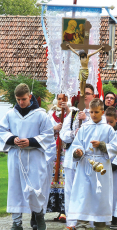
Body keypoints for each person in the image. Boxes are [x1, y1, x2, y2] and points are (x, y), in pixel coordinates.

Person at [0, 83, 55, 230]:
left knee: (36, 188)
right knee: (15, 189)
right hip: (16, 157)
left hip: (35, 157)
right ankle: (16, 223)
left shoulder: (41, 115)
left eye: (23, 99)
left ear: (30, 97)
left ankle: (39, 217)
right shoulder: (10, 115)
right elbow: (2, 131)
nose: (21, 102)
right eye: (18, 99)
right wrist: (13, 139)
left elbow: (48, 135)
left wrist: (31, 141)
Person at [68, 99, 117, 230]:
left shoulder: (108, 129)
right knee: (83, 194)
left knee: (100, 196)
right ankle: (82, 223)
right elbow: (76, 145)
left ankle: (100, 223)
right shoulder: (84, 128)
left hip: (101, 166)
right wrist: (77, 152)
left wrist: (102, 145)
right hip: (85, 165)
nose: (94, 114)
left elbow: (115, 147)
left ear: (102, 112)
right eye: (91, 112)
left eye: (96, 112)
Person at [60, 84, 96, 230]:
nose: (85, 96)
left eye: (88, 93)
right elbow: (63, 134)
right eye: (83, 94)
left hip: (89, 159)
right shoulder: (73, 114)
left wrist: (87, 119)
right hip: (71, 158)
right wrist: (74, 134)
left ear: (93, 96)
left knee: (89, 189)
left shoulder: (96, 114)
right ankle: (72, 222)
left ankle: (89, 221)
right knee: (70, 190)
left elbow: (99, 132)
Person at [46, 94, 71, 222]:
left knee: (64, 179)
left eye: (64, 99)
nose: (62, 101)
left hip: (66, 150)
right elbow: (44, 130)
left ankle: (64, 211)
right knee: (53, 179)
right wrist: (54, 128)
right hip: (54, 150)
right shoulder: (51, 114)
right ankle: (54, 209)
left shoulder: (72, 113)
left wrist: (67, 111)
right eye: (60, 99)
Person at [105, 106, 117, 230]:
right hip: (104, 168)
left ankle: (114, 219)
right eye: (106, 122)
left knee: (115, 194)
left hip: (115, 168)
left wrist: (114, 165)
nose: (108, 124)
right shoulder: (103, 132)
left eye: (111, 122)